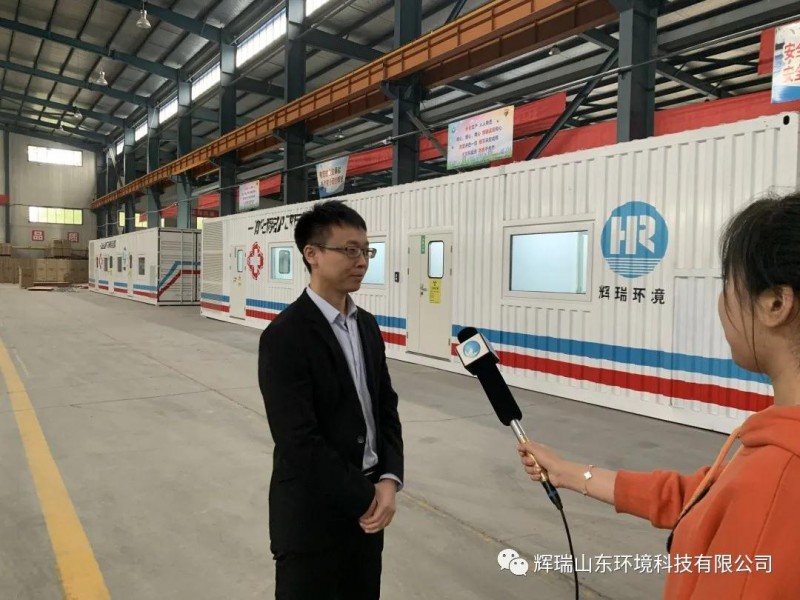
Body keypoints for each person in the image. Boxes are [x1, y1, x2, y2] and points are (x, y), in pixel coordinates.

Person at [518, 193, 800, 598]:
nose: (722, 302)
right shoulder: (772, 450)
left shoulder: (779, 478)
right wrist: (567, 472)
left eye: (728, 285)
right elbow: (699, 496)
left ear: (775, 304)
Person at [258, 200, 404, 600]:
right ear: (312, 254)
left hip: (370, 510)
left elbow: (385, 409)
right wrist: (367, 496)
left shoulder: (367, 326)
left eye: (367, 251)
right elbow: (297, 440)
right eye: (350, 250)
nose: (362, 261)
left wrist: (389, 479)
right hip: (312, 514)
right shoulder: (285, 336)